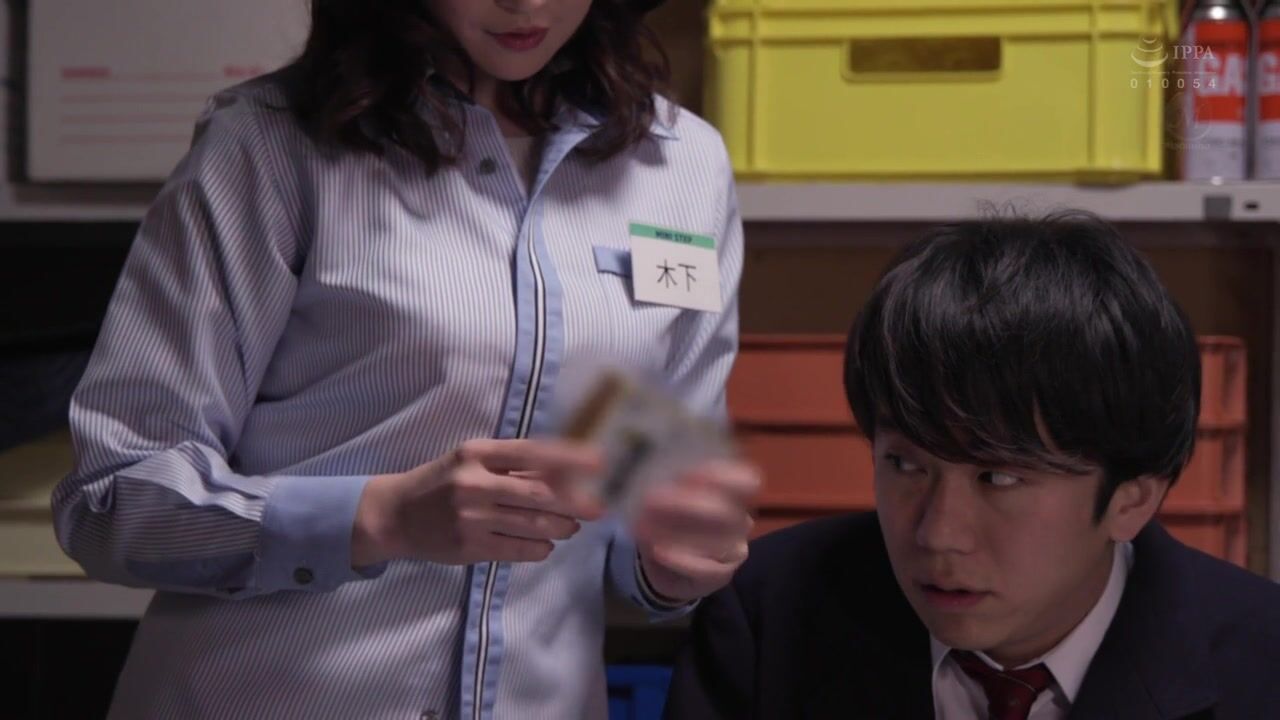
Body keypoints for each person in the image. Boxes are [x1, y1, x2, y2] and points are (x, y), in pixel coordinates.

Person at [52, 1, 757, 718]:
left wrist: (671, 563)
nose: (526, 2)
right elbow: (113, 502)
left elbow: (659, 490)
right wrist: (379, 518)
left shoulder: (682, 163)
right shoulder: (268, 143)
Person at [664, 213, 1280, 720]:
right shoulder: (766, 617)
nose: (938, 534)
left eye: (999, 478)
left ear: (1132, 499)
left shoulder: (1262, 660)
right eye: (906, 465)